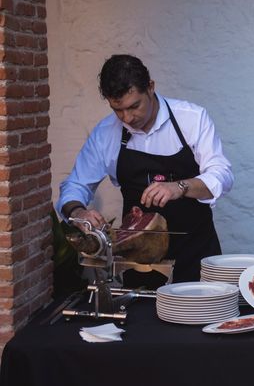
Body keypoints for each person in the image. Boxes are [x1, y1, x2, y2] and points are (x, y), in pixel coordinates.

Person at [56, 54, 233, 286]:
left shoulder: (191, 119)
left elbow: (222, 175)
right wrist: (78, 212)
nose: (127, 118)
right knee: (142, 320)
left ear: (150, 87)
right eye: (117, 110)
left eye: (134, 106)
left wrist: (179, 187)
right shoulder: (105, 133)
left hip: (196, 250)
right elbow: (75, 185)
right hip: (138, 257)